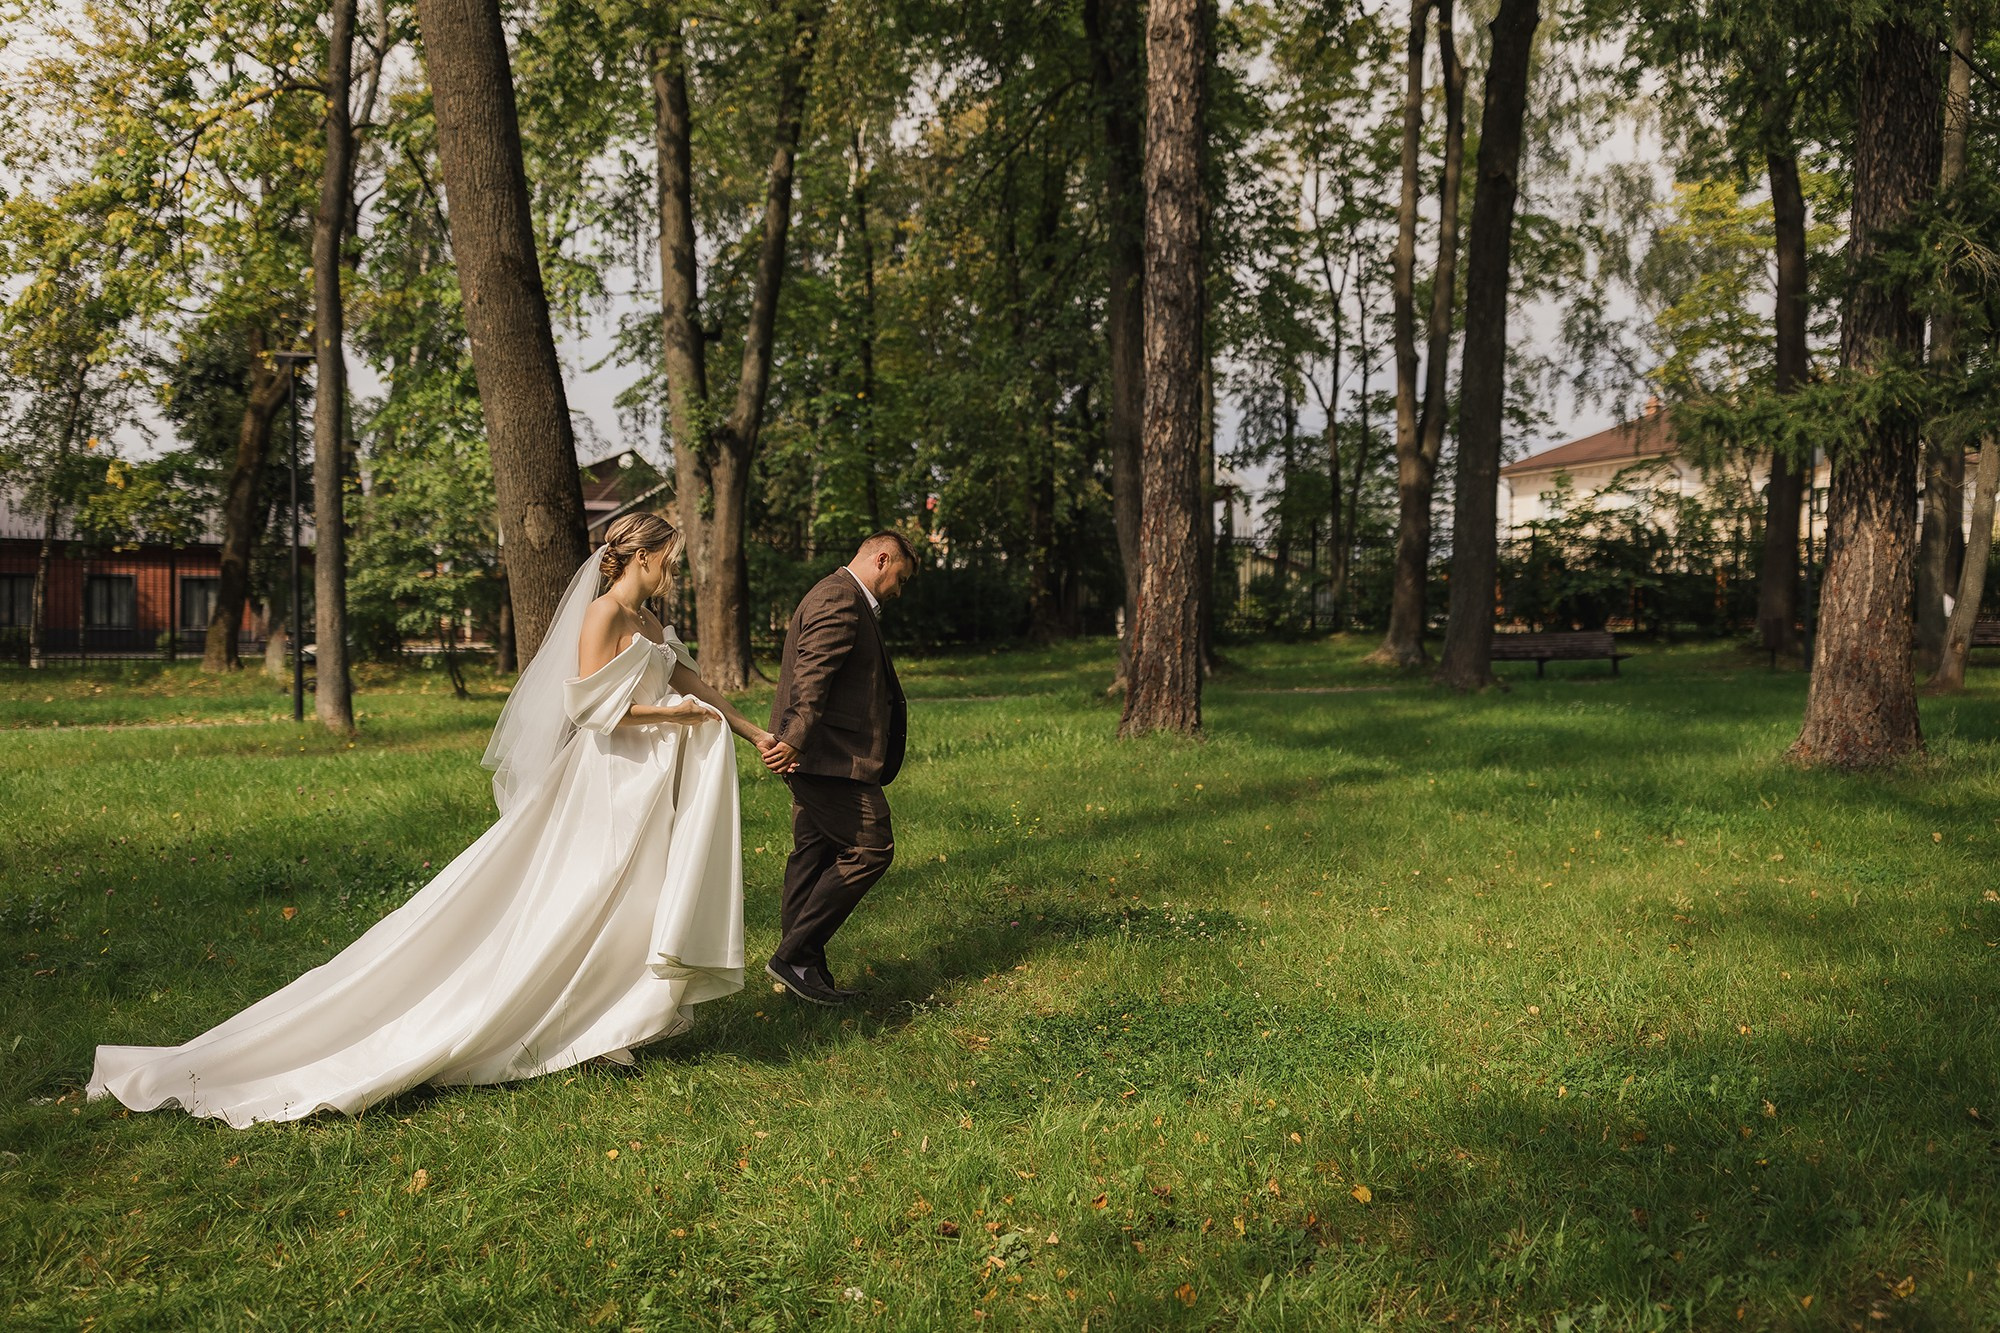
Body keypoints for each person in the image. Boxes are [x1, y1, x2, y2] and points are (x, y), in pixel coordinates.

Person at [88, 514, 780, 1126]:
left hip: (649, 782)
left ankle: (610, 1021)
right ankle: (551, 1018)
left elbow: (688, 679)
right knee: (584, 897)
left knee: (637, 900)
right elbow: (587, 708)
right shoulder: (602, 615)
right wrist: (674, 716)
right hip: (607, 779)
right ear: (641, 556)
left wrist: (748, 730)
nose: (674, 568)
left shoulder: (653, 623)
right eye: (670, 557)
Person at [762, 530, 915, 1005]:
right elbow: (813, 675)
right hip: (827, 759)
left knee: (812, 859)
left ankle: (804, 971)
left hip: (821, 757)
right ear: (882, 559)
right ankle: (793, 955)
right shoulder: (839, 597)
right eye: (901, 579)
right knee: (871, 846)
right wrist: (795, 738)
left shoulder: (839, 595)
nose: (898, 590)